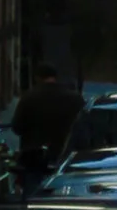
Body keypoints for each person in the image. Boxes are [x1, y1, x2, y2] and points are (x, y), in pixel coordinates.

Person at [11, 60, 84, 190]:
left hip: (34, 156)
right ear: (55, 77)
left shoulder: (29, 97)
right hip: (65, 154)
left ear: (37, 77)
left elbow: (17, 127)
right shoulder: (74, 98)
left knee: (33, 192)